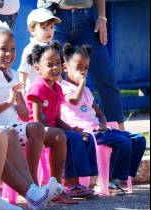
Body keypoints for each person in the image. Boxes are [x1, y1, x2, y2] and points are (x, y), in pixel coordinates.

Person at [0, 20, 65, 210]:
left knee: (37, 127)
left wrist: (21, 106)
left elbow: (21, 110)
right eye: (3, 49)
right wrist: (7, 102)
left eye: (13, 49)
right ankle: (33, 191)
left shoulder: (13, 75)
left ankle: (33, 187)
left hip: (13, 127)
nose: (9, 54)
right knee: (10, 132)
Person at [59, 43, 146, 195]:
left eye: (86, 68)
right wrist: (81, 83)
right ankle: (111, 181)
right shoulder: (63, 87)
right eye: (79, 67)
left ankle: (115, 178)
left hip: (100, 130)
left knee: (138, 140)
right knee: (124, 142)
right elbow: (73, 100)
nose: (83, 72)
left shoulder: (86, 90)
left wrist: (104, 123)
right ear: (65, 67)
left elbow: (99, 113)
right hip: (86, 133)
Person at [25, 41, 97, 203]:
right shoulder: (38, 88)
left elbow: (57, 119)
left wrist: (73, 129)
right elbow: (36, 123)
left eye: (58, 63)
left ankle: (76, 182)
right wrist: (65, 132)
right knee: (64, 137)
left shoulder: (57, 88)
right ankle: (64, 185)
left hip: (52, 128)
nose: (55, 67)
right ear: (38, 69)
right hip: (34, 130)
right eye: (49, 65)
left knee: (82, 136)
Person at [37, 0, 126, 130]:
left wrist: (102, 17)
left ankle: (120, 133)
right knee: (53, 79)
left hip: (86, 19)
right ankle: (56, 135)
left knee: (106, 77)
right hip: (53, 18)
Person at [18, 8, 61, 93]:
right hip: (36, 93)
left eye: (51, 27)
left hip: (52, 92)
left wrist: (61, 84)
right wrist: (23, 90)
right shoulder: (30, 49)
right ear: (32, 30)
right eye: (44, 28)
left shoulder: (52, 46)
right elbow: (23, 71)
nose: (49, 31)